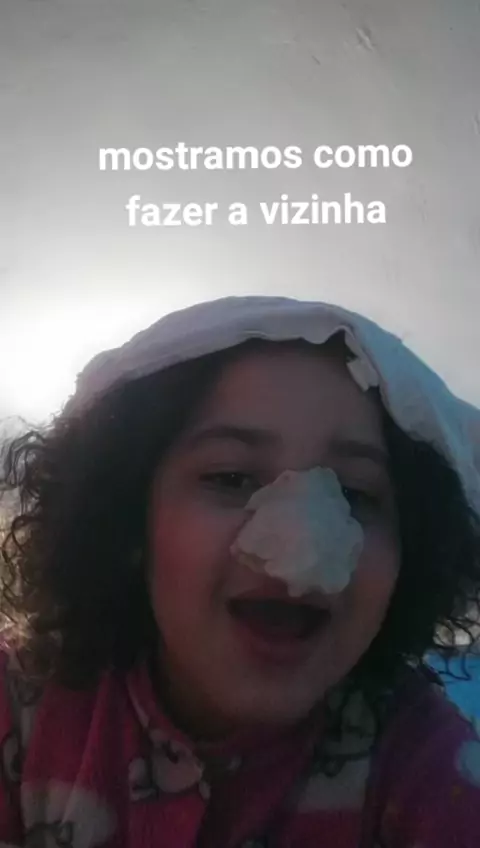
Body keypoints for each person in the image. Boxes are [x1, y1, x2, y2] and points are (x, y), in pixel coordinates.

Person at [0, 295, 479, 848]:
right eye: (231, 478)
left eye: (354, 494)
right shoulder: (19, 706)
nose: (300, 548)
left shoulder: (425, 768)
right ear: (127, 517)